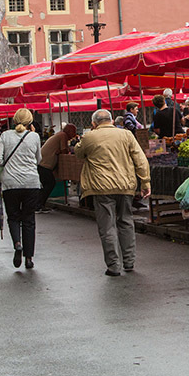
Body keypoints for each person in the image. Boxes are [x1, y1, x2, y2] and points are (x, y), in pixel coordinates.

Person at [76, 110, 151, 276]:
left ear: (94, 123)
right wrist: (145, 181)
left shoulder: (89, 137)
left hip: (101, 187)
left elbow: (78, 153)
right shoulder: (126, 135)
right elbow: (140, 159)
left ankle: (113, 266)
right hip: (125, 185)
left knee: (107, 226)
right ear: (111, 121)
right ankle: (129, 261)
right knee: (126, 221)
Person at [0, 108, 44, 270]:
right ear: (30, 122)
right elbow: (39, 159)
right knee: (29, 220)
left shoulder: (5, 136)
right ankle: (29, 258)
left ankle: (17, 244)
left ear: (14, 120)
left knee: (14, 217)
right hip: (31, 183)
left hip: (10, 184)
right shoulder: (34, 136)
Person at [34, 123, 77, 212]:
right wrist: (65, 150)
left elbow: (61, 150)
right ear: (68, 131)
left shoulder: (59, 135)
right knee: (49, 184)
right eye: (73, 132)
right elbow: (64, 150)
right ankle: (38, 205)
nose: (74, 135)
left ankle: (39, 204)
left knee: (47, 184)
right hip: (45, 164)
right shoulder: (63, 135)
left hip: (42, 163)